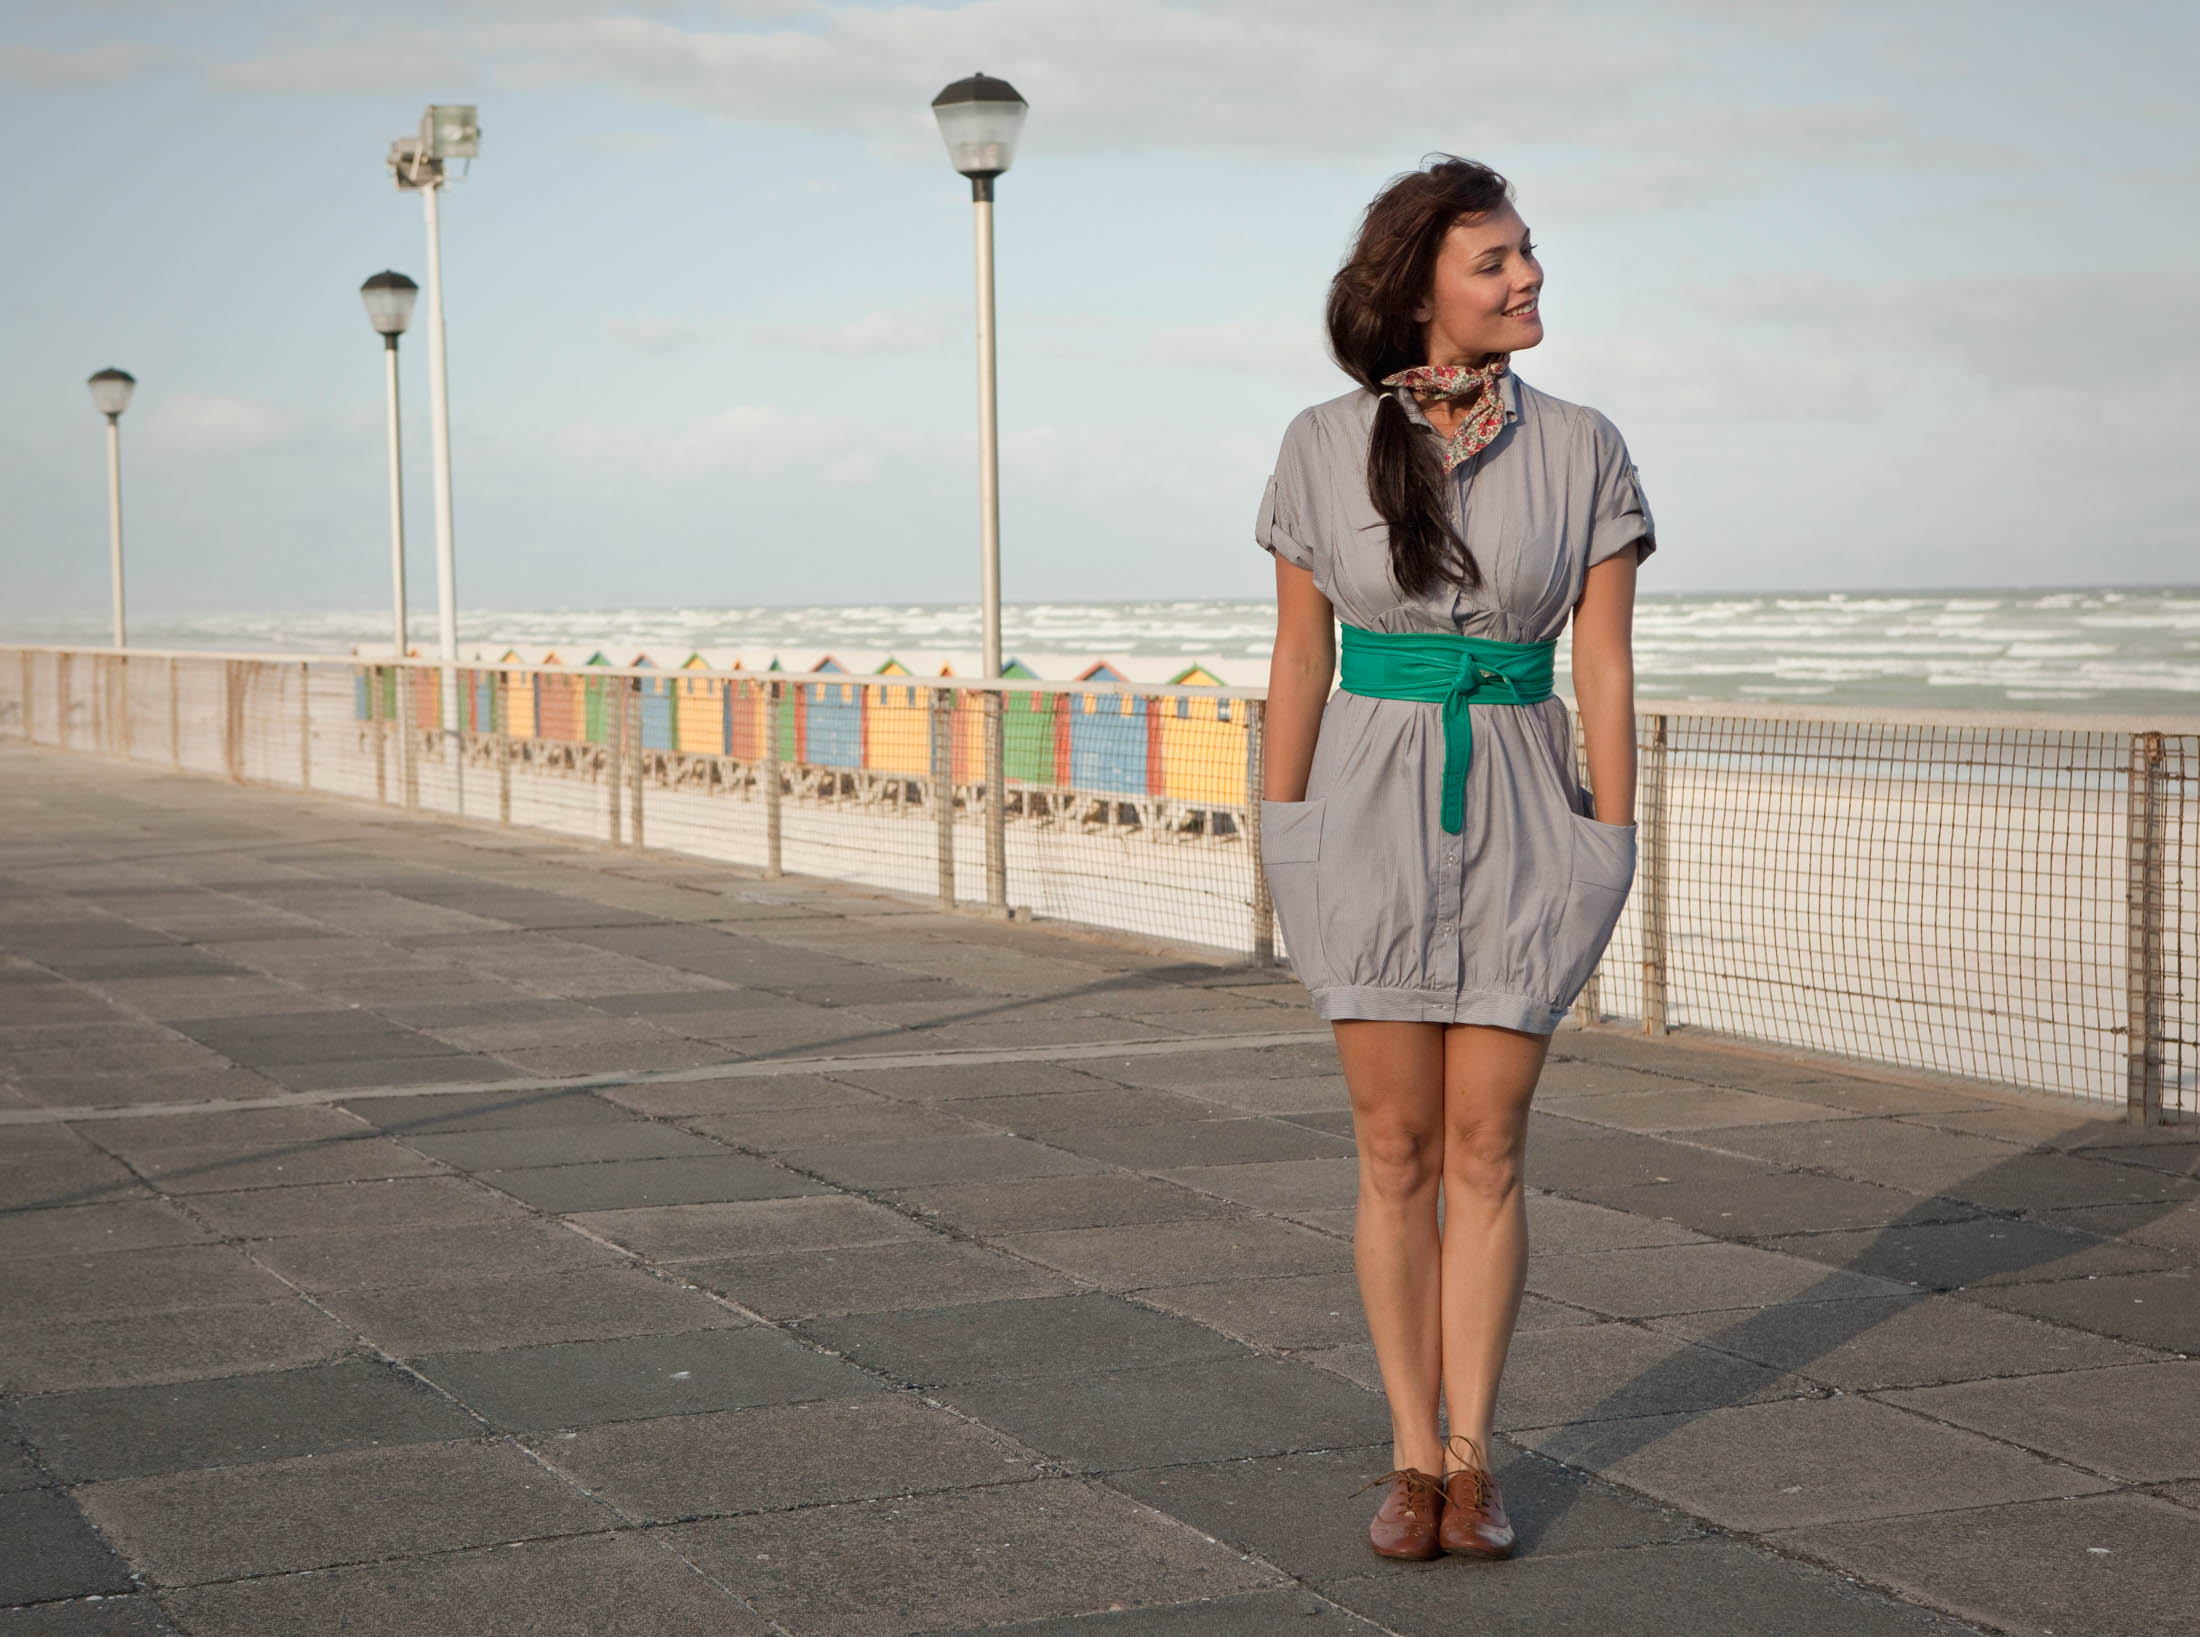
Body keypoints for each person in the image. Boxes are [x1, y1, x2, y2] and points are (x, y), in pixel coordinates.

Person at [1255, 155, 1653, 1562]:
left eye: (1528, 251)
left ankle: (1474, 1460)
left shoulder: (1588, 446)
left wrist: (1608, 830)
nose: (1528, 275)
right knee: (1392, 1146)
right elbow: (1301, 655)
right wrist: (1281, 829)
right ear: (1419, 280)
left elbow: (1601, 654)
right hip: (1361, 807)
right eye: (1494, 260)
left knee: (1489, 1145)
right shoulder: (1318, 445)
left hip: (1531, 809)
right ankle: (1409, 1456)